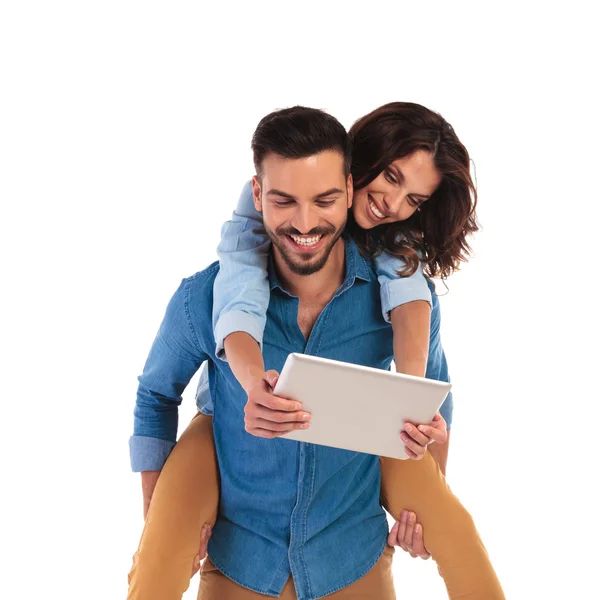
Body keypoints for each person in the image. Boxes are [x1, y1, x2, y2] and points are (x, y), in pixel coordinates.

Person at [128, 106, 504, 599]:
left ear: (345, 189)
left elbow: (432, 397)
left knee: (458, 532)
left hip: (347, 552)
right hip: (242, 548)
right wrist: (160, 522)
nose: (390, 203)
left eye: (412, 197)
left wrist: (424, 502)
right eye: (389, 178)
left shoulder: (397, 283)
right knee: (155, 566)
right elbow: (156, 393)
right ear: (259, 195)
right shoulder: (213, 289)